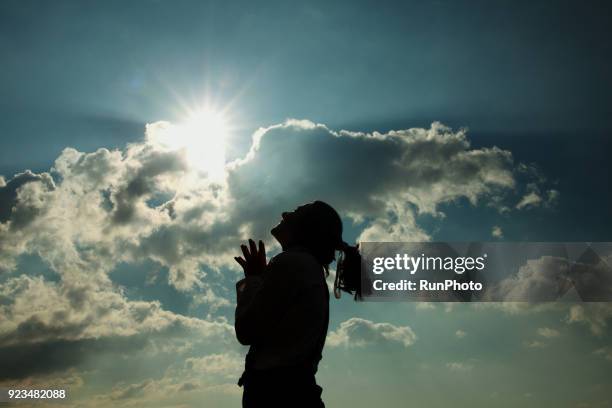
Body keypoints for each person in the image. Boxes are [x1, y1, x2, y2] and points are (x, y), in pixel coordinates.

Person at [234, 200, 361, 407]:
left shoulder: (292, 263)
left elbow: (246, 330)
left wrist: (254, 279)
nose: (284, 213)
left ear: (306, 229)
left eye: (295, 212)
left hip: (280, 397)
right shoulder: (306, 266)